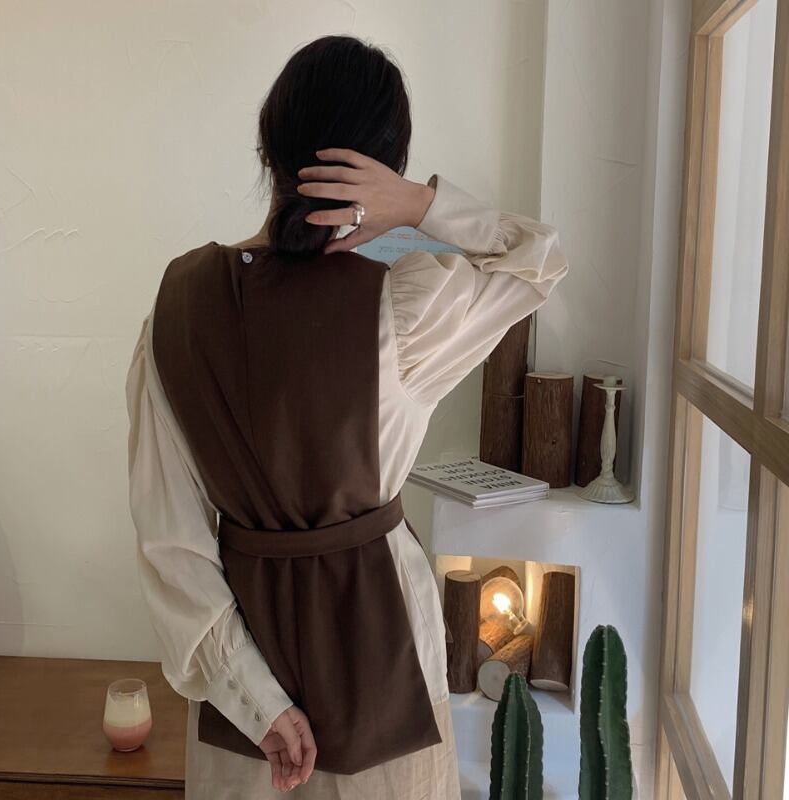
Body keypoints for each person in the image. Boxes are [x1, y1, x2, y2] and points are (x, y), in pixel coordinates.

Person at [125, 34, 568, 800]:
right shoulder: (405, 312)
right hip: (384, 665)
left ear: (267, 148)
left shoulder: (179, 309)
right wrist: (422, 204)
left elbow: (171, 544)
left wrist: (256, 699)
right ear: (382, 168)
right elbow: (540, 258)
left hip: (244, 694)